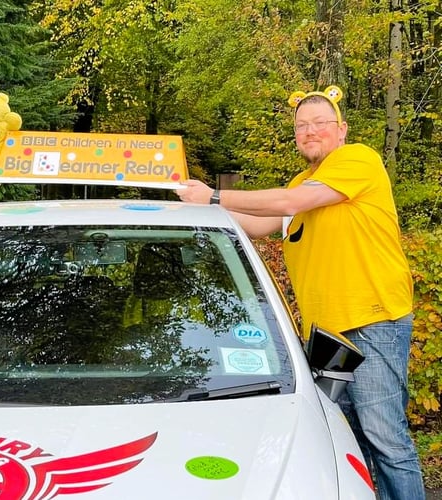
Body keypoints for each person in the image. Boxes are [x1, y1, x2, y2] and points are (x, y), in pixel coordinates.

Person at [175, 86, 424, 500]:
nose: (310, 132)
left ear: (341, 130)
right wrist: (199, 208)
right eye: (301, 126)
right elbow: (259, 225)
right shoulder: (302, 181)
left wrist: (215, 195)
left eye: (319, 124)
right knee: (349, 442)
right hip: (326, 334)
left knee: (386, 439)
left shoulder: (357, 160)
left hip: (372, 321)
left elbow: (291, 201)